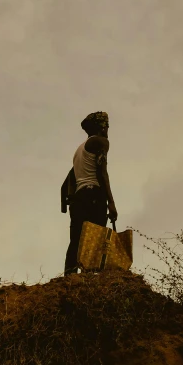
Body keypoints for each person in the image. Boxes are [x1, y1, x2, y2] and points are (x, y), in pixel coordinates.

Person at [61, 111, 118, 275]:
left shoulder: (78, 151)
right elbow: (102, 173)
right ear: (102, 127)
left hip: (78, 199)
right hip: (93, 195)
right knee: (97, 237)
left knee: (76, 240)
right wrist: (111, 203)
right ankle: (90, 278)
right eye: (107, 126)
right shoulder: (101, 142)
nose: (108, 130)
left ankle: (70, 277)